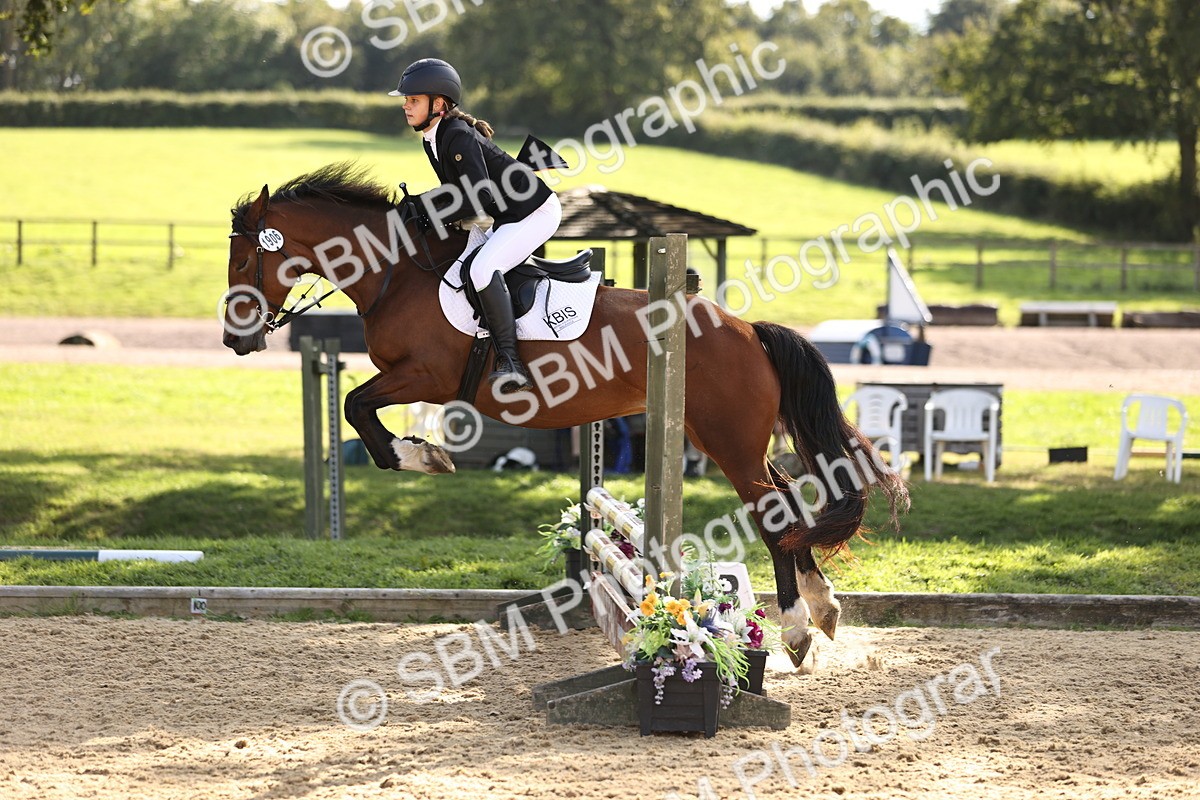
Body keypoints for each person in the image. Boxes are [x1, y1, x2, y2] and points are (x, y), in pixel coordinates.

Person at [390, 58, 561, 393]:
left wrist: (429, 211)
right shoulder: (433, 137)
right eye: (406, 100)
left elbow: (478, 195)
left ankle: (511, 362)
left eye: (413, 100)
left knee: (482, 270)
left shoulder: (455, 134)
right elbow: (457, 192)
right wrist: (418, 205)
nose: (406, 106)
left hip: (535, 212)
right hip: (510, 215)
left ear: (438, 103)